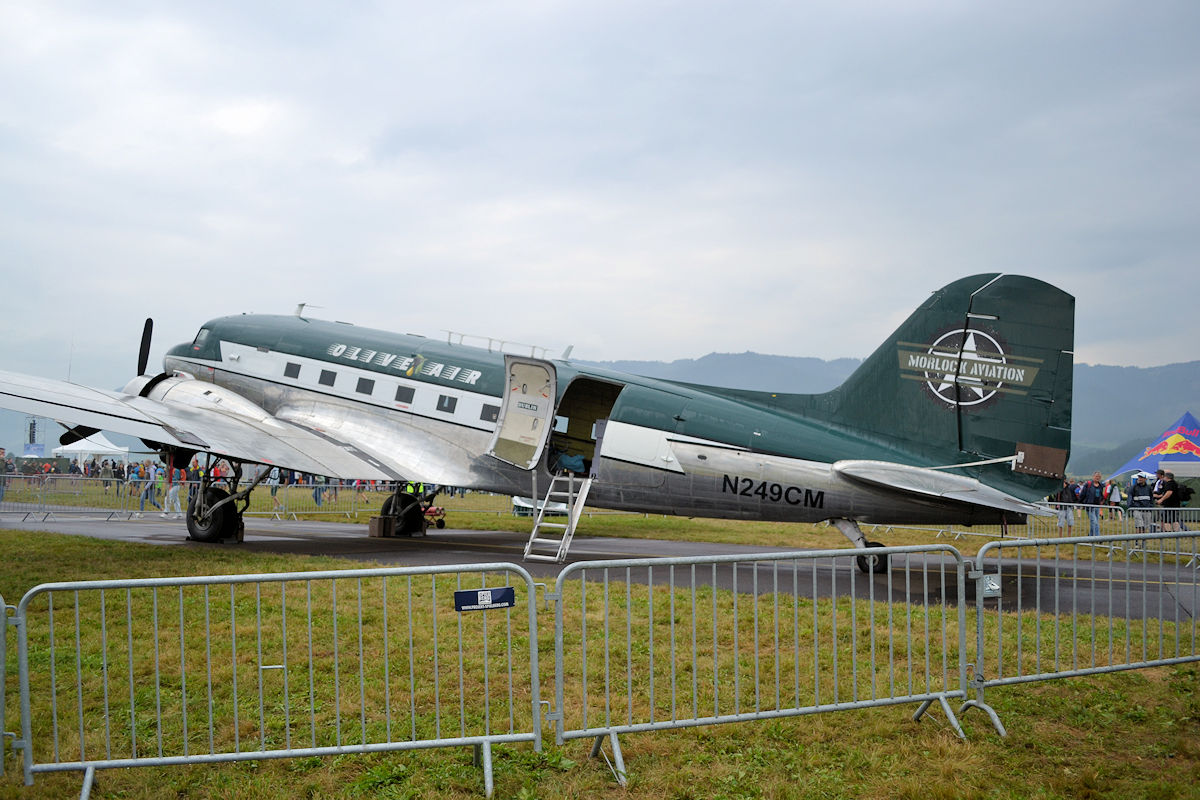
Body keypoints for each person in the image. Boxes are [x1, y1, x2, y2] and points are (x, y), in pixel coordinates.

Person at [1076, 471, 1106, 536]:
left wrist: (1103, 500)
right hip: (1089, 506)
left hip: (1097, 506)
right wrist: (1079, 503)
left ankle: (1090, 536)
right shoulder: (1088, 484)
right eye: (1096, 476)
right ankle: (1098, 537)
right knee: (1094, 522)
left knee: (1095, 522)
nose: (1097, 478)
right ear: (1093, 477)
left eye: (1099, 477)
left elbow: (1101, 495)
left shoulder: (1101, 486)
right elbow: (1082, 494)